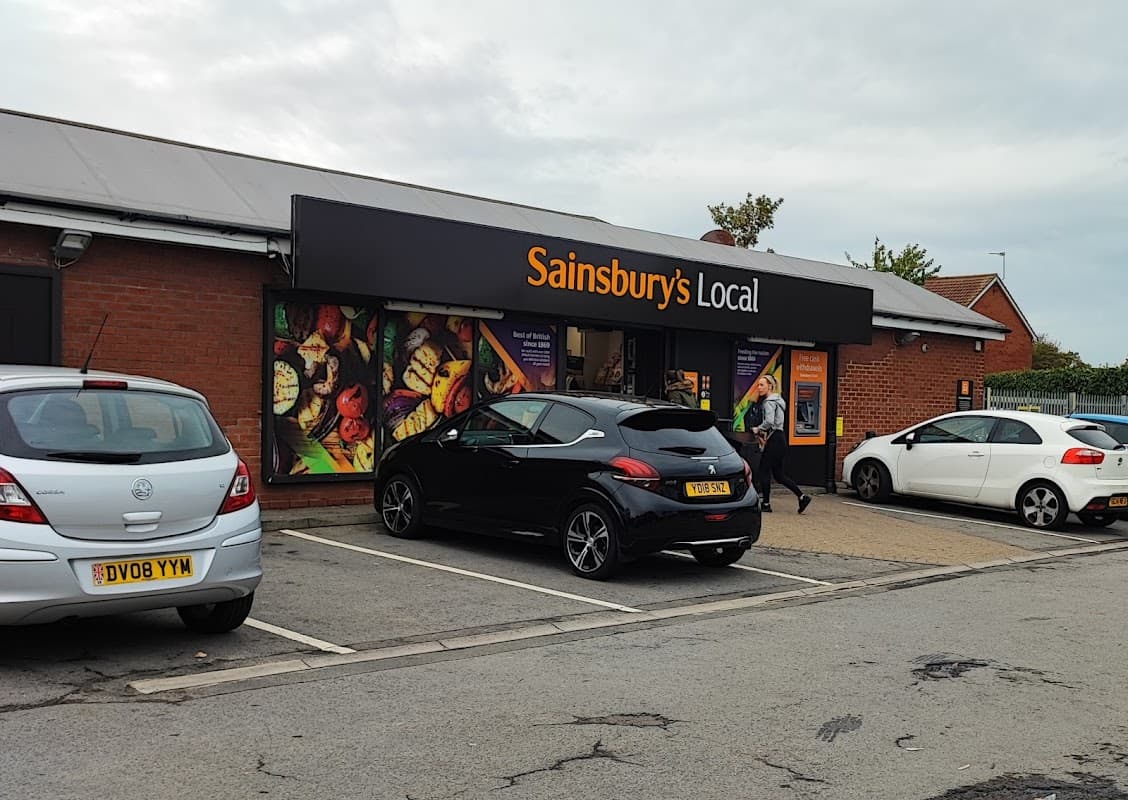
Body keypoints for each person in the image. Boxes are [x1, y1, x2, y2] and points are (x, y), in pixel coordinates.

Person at [751, 374, 811, 514]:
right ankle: (802, 497)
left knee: (763, 471)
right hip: (780, 439)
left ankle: (765, 503)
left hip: (774, 440)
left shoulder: (768, 402)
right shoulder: (779, 401)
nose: (759, 388)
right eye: (758, 385)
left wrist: (758, 429)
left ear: (770, 386)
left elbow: (769, 422)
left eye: (762, 385)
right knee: (778, 475)